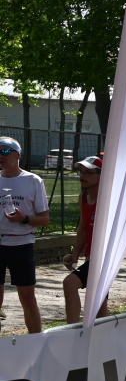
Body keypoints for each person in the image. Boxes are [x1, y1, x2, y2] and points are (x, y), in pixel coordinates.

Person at [0, 137, 49, 333]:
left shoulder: (33, 181)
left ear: (18, 155)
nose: (1, 155)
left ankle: (37, 342)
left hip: (22, 245)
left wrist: (24, 219)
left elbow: (44, 219)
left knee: (27, 298)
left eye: (5, 151)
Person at [62, 155, 109, 324]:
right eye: (81, 172)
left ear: (101, 176)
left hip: (104, 257)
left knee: (70, 283)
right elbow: (83, 228)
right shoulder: (83, 198)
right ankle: (106, 337)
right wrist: (75, 255)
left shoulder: (107, 199)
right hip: (91, 256)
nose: (83, 176)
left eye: (89, 173)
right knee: (100, 305)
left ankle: (71, 332)